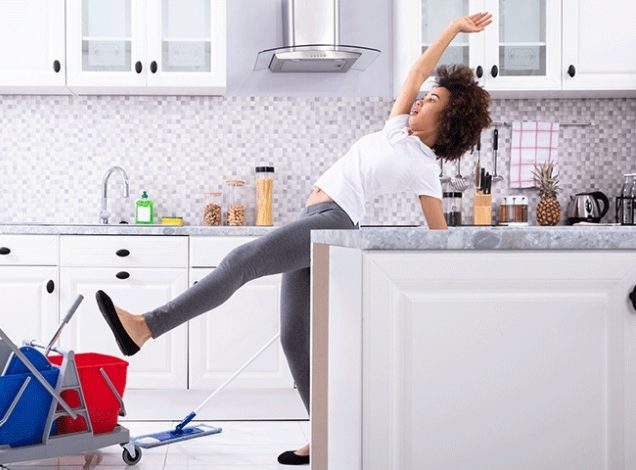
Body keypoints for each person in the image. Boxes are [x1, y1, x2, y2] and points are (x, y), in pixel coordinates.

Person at [96, 12, 493, 466]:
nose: (422, 98)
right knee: (293, 337)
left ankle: (146, 326)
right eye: (424, 95)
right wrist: (454, 29)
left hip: (334, 223)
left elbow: (436, 233)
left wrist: (454, 284)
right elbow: (418, 70)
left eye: (433, 99)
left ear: (450, 118)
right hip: (319, 219)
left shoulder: (424, 166)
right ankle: (324, 435)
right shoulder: (396, 128)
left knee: (240, 261)